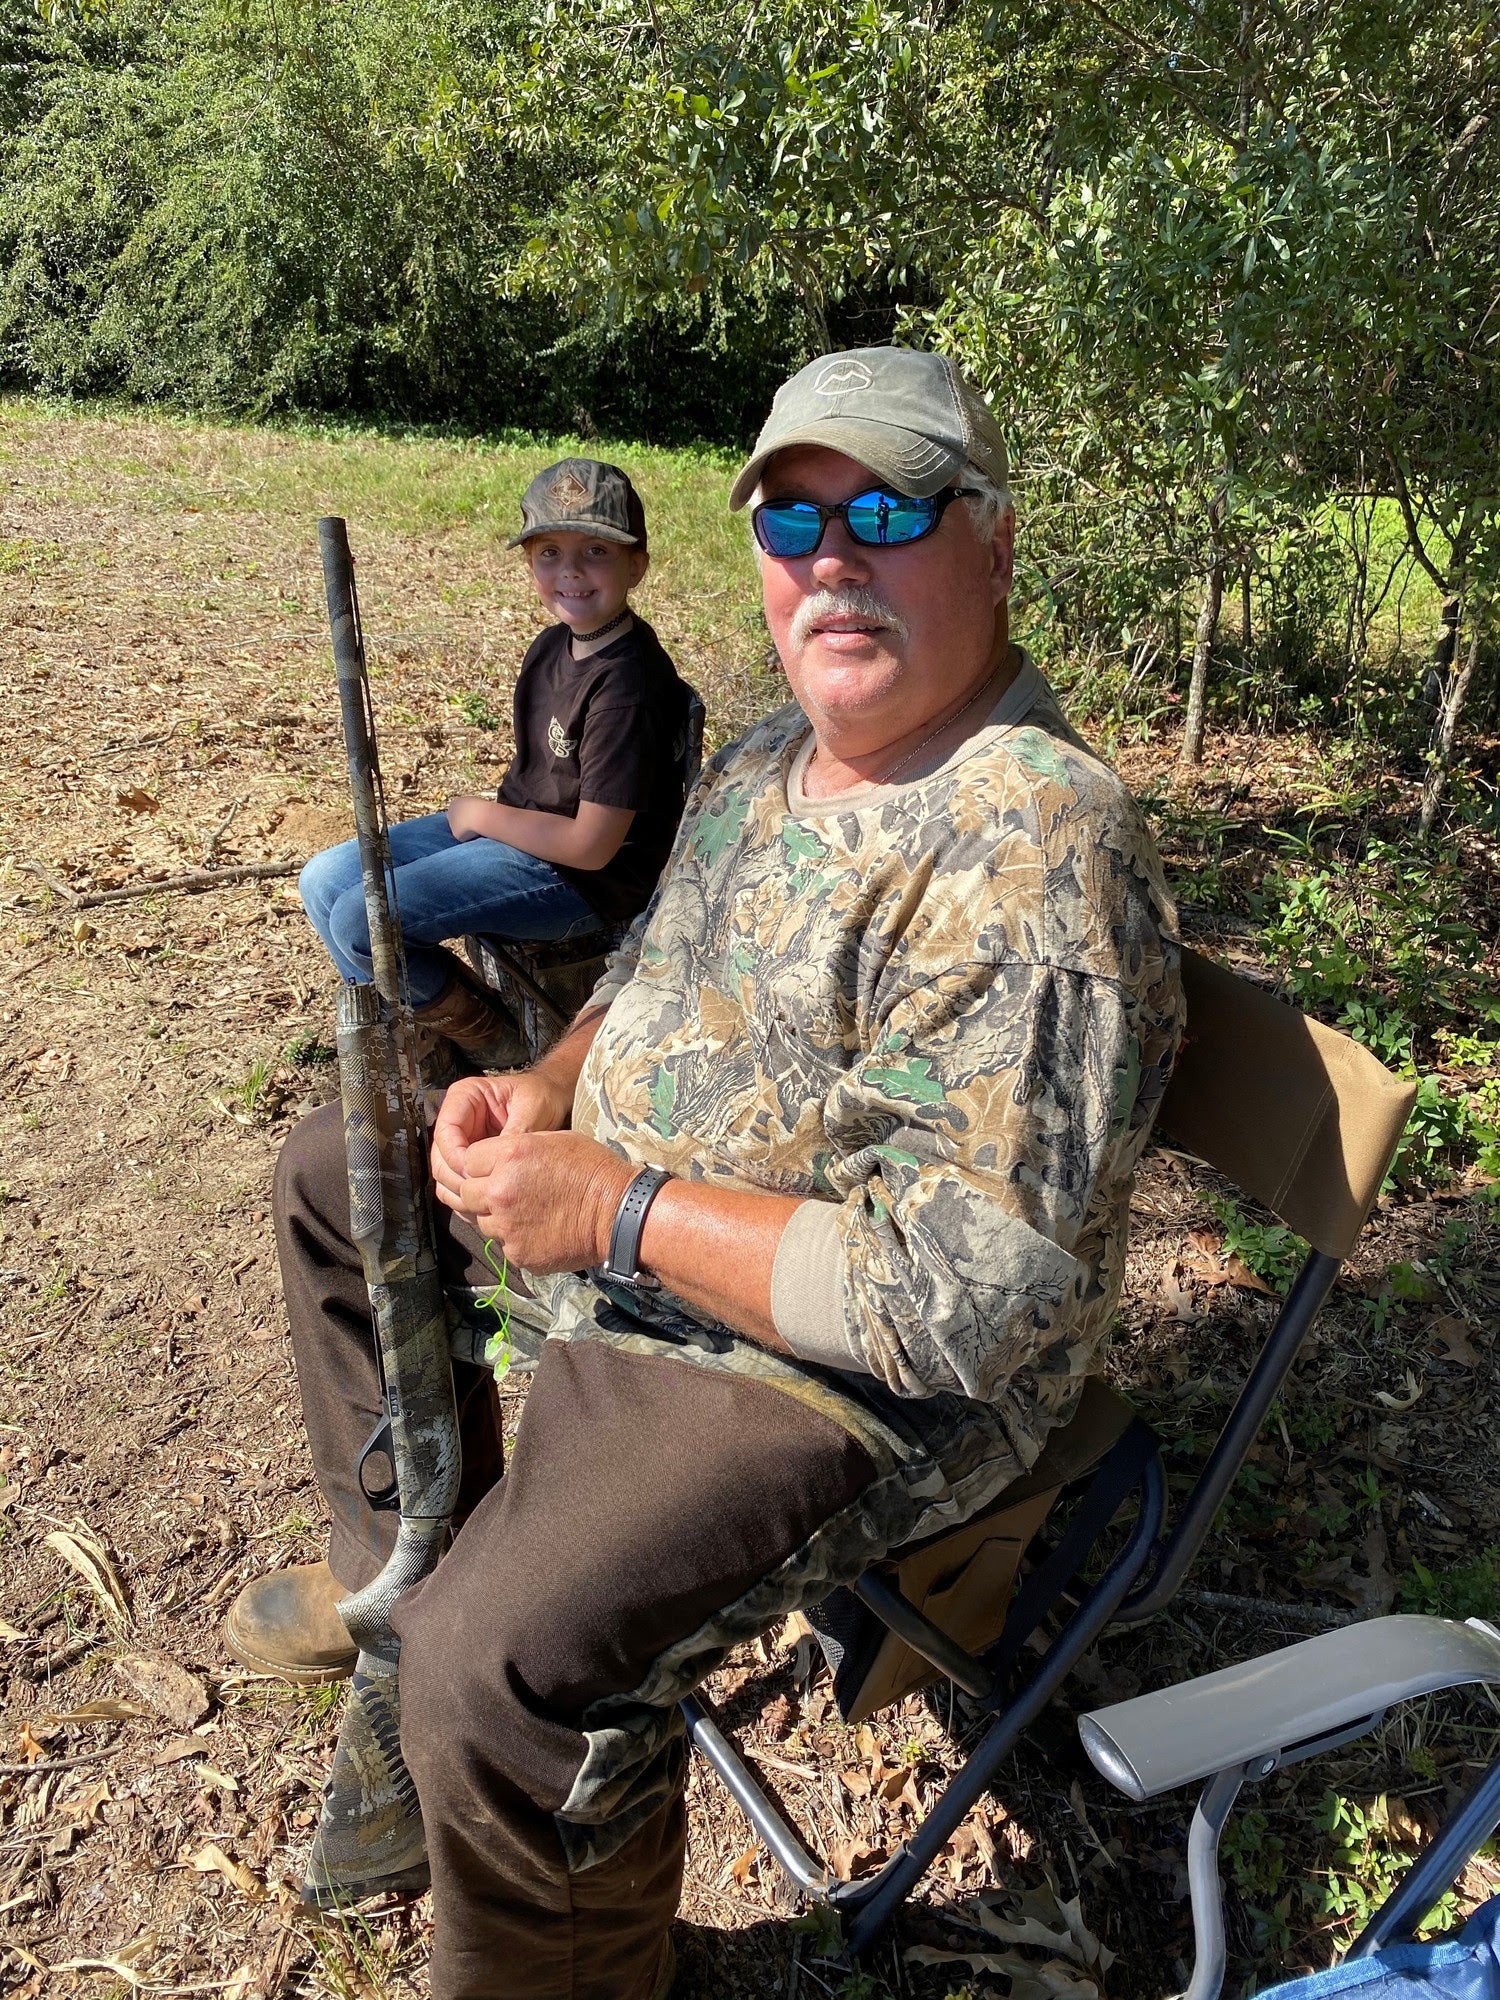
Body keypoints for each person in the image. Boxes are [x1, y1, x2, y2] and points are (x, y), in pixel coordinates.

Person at [230, 346, 1184, 1998]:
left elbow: (953, 1306)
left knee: (503, 1661)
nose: (831, 557)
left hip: (837, 1368)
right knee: (340, 1166)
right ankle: (406, 1554)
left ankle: (561, 1914)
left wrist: (613, 1210)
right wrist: (535, 1087)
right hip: (655, 1224)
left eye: (887, 509)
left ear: (997, 542)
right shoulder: (758, 763)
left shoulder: (1035, 839)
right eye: (791, 520)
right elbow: (637, 983)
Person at [297, 458, 694, 1067]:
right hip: (525, 833)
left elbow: (593, 845)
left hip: (585, 880)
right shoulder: (552, 647)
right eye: (548, 553)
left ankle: (490, 1045)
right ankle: (425, 1023)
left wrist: (481, 816)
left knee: (359, 920)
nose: (570, 572)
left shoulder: (628, 684)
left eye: (596, 551)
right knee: (323, 878)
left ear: (636, 565)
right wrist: (487, 820)